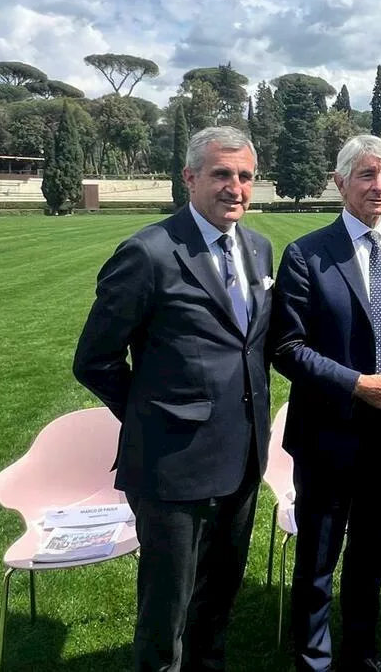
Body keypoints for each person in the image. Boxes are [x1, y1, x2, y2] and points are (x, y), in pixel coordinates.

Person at [72, 126, 274, 672]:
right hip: (173, 465)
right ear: (189, 178)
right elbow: (94, 360)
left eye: (245, 176)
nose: (236, 188)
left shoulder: (257, 247)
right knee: (166, 612)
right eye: (221, 175)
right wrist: (155, 414)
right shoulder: (148, 252)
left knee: (220, 596)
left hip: (244, 454)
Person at [271, 134, 381, 672]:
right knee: (318, 555)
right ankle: (314, 660)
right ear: (340, 183)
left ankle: (363, 651)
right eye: (367, 175)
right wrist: (356, 383)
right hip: (329, 432)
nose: (379, 186)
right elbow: (287, 349)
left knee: (369, 553)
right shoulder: (307, 255)